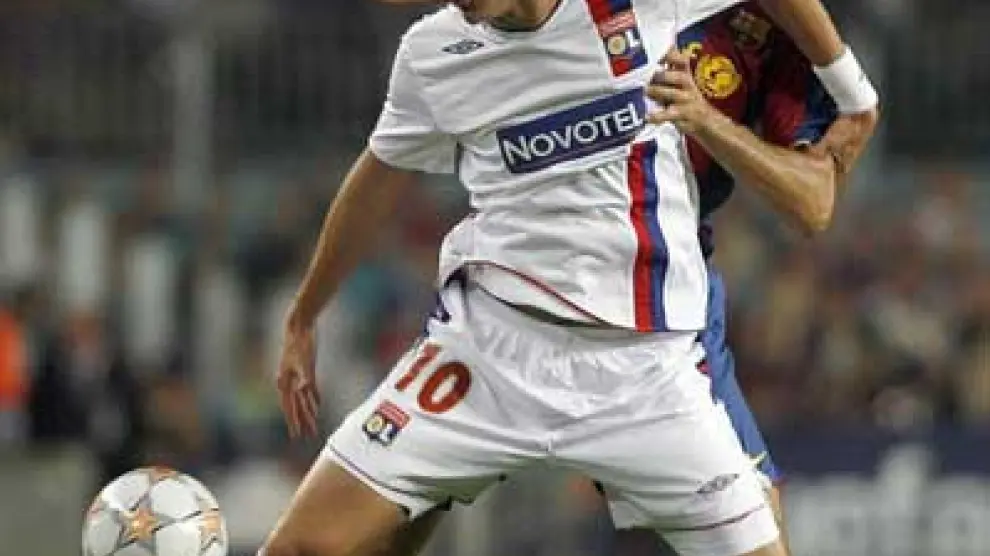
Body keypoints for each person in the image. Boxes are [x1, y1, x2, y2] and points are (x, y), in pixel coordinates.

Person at [261, 1, 878, 556]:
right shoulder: (433, 52)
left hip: (646, 371)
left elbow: (814, 204)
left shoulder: (642, 9)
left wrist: (853, 93)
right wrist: (303, 315)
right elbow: (377, 176)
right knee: (302, 546)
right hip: (490, 352)